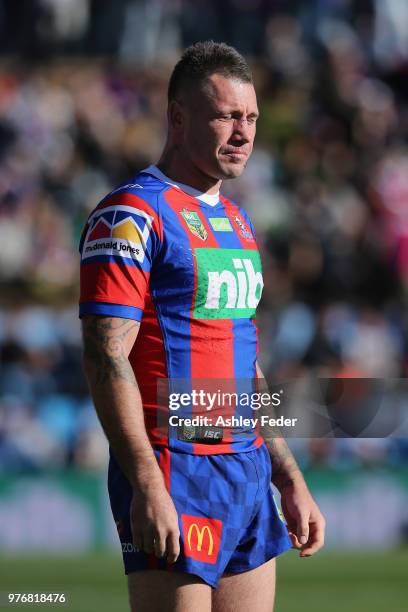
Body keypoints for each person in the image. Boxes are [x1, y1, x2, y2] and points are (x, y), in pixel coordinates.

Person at [79, 41, 325, 612]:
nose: (243, 132)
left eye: (251, 118)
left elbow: (246, 362)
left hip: (247, 469)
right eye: (226, 116)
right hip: (176, 467)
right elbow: (105, 357)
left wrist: (287, 474)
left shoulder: (237, 220)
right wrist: (145, 481)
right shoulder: (131, 215)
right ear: (179, 117)